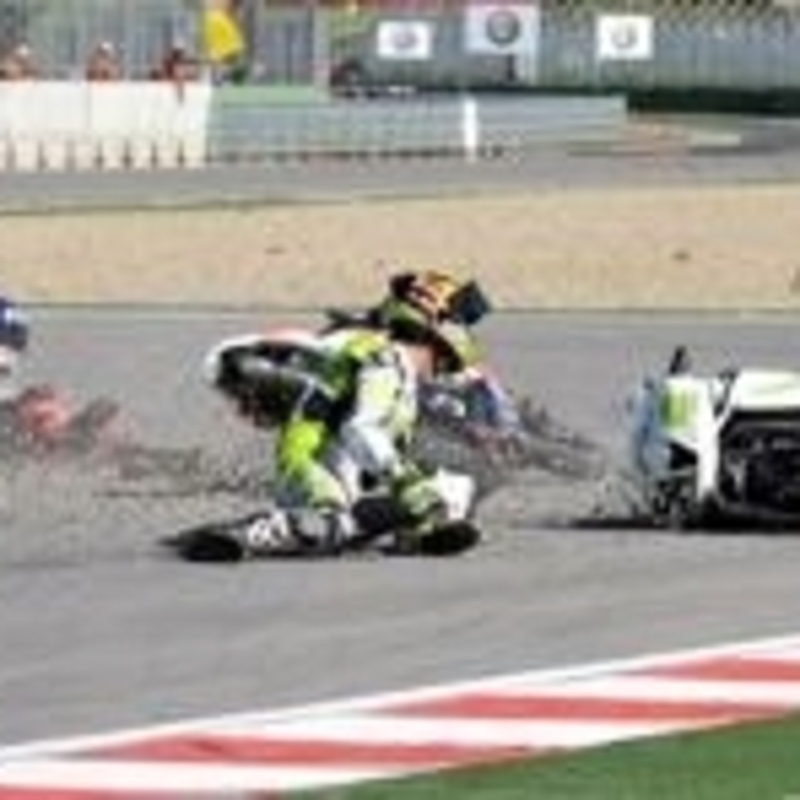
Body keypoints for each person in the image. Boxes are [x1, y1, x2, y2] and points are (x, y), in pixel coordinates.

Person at [203, 309, 483, 557]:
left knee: (456, 487)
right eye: (445, 364)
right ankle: (260, 532)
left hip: (329, 464)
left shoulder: (381, 363)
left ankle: (412, 532)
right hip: (315, 467)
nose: (438, 374)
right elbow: (360, 429)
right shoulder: (387, 360)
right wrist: (405, 482)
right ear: (433, 348)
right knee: (339, 521)